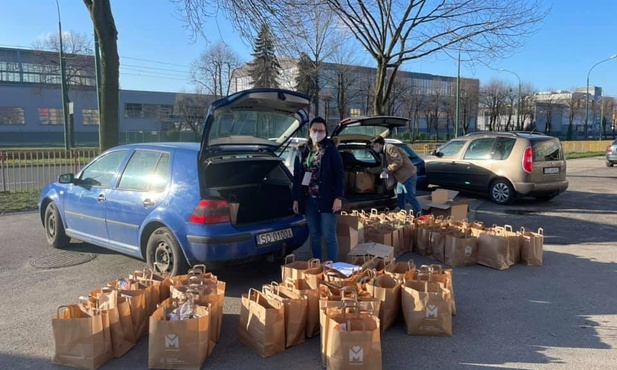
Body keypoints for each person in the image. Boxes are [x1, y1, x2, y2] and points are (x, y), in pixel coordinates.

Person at [292, 117, 345, 261]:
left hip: (327, 199)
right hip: (308, 199)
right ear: (309, 131)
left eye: (321, 131)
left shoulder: (330, 150)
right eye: (315, 130)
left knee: (329, 234)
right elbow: (297, 177)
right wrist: (296, 199)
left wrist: (338, 198)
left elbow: (339, 174)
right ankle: (317, 266)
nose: (317, 133)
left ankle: (332, 267)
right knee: (314, 234)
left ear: (326, 132)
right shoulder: (303, 150)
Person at [370, 136, 423, 216]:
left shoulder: (390, 148)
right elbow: (383, 166)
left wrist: (387, 170)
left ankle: (420, 216)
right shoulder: (384, 151)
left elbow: (398, 161)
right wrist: (369, 170)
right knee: (400, 199)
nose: (373, 148)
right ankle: (402, 216)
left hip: (408, 176)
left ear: (377, 144)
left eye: (373, 146)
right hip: (401, 178)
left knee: (410, 198)